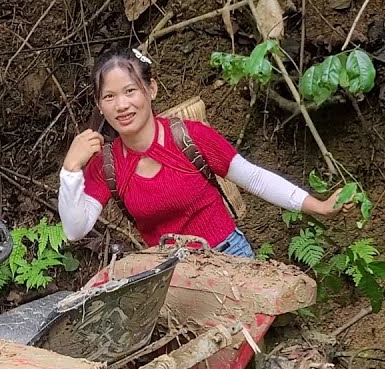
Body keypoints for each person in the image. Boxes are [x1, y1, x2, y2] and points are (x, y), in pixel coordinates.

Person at [58, 47, 346, 257]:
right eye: (109, 96)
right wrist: (70, 169)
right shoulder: (108, 165)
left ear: (151, 90)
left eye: (130, 91)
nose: (121, 105)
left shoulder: (190, 137)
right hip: (173, 277)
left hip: (229, 255)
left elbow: (255, 178)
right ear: (99, 105)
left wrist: (318, 206)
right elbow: (75, 229)